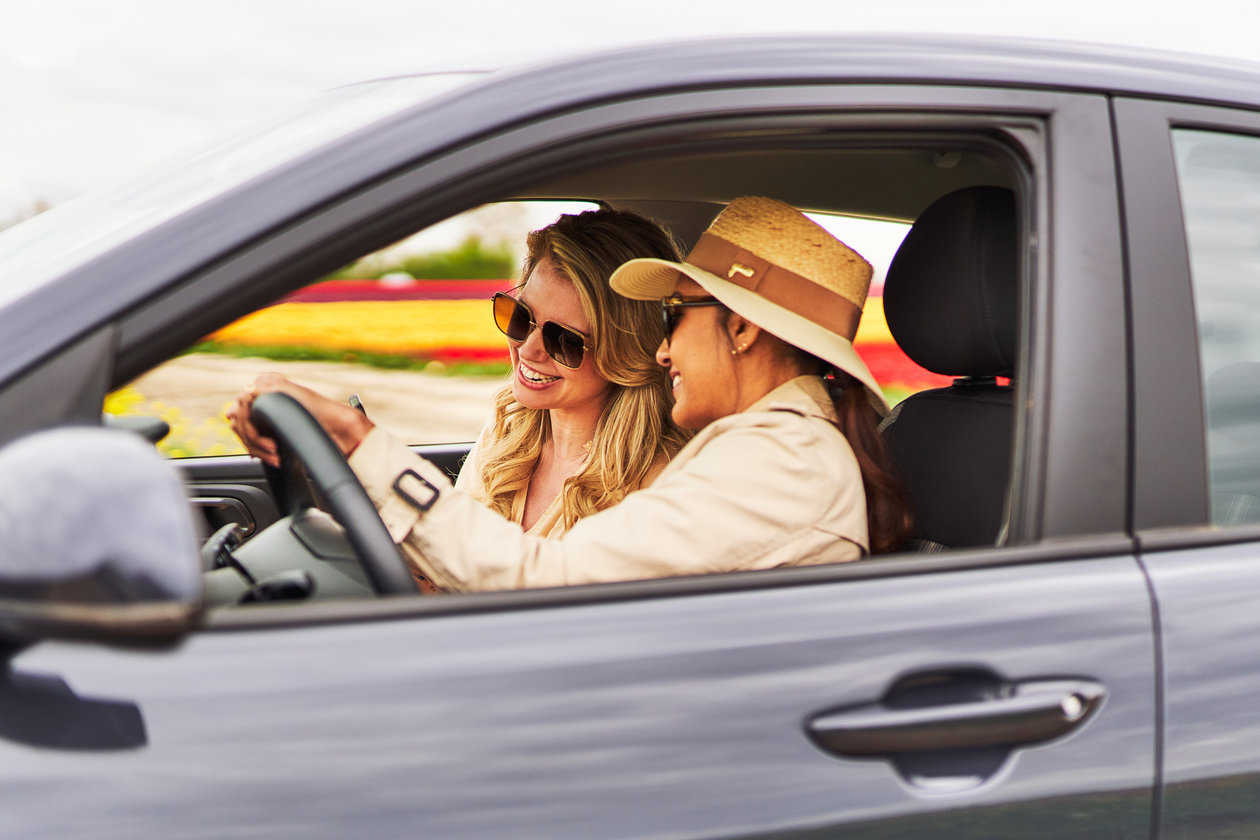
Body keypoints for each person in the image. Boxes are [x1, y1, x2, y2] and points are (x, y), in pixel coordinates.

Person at [231, 196, 912, 593]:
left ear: (738, 327)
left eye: (676, 317)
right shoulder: (772, 448)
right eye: (519, 318)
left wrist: (361, 446)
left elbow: (548, 584)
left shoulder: (779, 459)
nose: (664, 346)